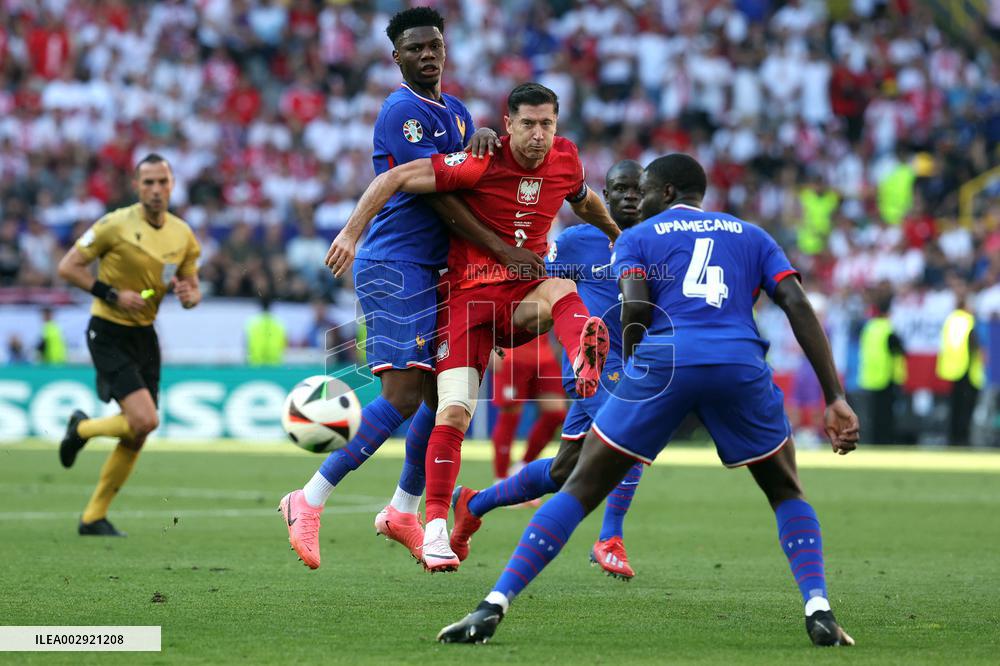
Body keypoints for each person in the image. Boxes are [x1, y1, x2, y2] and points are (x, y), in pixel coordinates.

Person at [438, 153, 860, 647]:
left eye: (639, 190)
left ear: (661, 194)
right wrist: (835, 396)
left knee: (576, 483)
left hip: (653, 363)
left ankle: (493, 603)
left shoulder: (636, 237)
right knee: (785, 490)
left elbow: (634, 304)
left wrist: (639, 365)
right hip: (737, 364)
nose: (630, 198)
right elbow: (796, 303)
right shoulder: (752, 235)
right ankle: (819, 607)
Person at [278, 7, 542, 570]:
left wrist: (488, 141)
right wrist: (498, 251)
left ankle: (402, 510)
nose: (428, 54)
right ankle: (309, 497)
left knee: (442, 398)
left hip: (441, 271)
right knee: (402, 395)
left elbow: (475, 182)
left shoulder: (460, 113)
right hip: (397, 264)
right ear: (396, 56)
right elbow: (438, 195)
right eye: (415, 47)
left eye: (435, 45)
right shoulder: (402, 111)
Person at [326, 83, 621, 572]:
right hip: (466, 304)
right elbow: (396, 177)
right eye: (527, 123)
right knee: (455, 412)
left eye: (547, 124)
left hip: (521, 298)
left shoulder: (567, 160)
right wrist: (351, 232)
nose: (537, 135)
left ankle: (580, 357)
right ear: (508, 125)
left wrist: (619, 236)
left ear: (557, 125)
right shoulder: (481, 158)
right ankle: (436, 529)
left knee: (560, 290)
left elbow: (583, 199)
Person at [449, 160, 648, 580]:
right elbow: (541, 291)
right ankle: (610, 538)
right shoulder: (577, 241)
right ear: (603, 198)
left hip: (636, 364)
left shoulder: (658, 243)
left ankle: (473, 502)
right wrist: (507, 331)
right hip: (593, 363)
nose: (629, 196)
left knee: (562, 471)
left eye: (637, 189)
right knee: (630, 433)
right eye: (620, 189)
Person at [56, 154, 201, 536]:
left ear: (172, 186)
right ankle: (82, 429)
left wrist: (188, 296)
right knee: (145, 419)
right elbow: (68, 267)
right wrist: (111, 294)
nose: (155, 190)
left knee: (138, 433)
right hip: (107, 329)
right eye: (148, 182)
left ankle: (93, 517)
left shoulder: (183, 235)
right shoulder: (114, 224)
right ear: (136, 187)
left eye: (162, 182)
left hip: (145, 334)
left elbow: (191, 289)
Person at [489, 334, 566, 484]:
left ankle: (521, 468)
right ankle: (500, 480)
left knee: (556, 414)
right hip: (511, 354)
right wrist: (491, 348)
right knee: (510, 414)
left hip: (544, 355)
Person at [936, 279, 984, 446]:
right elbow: (973, 343)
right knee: (965, 409)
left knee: (954, 408)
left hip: (952, 369)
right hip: (967, 369)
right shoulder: (968, 320)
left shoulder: (951, 319)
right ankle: (962, 439)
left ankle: (953, 438)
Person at [858, 290, 906, 444]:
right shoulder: (889, 330)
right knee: (886, 416)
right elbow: (900, 351)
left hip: (870, 378)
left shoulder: (869, 328)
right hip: (886, 377)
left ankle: (873, 441)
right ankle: (885, 441)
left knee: (873, 415)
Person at [245, 296, 287, 366]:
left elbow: (246, 345)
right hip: (275, 366)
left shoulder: (252, 323)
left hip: (255, 365)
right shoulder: (279, 323)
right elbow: (284, 344)